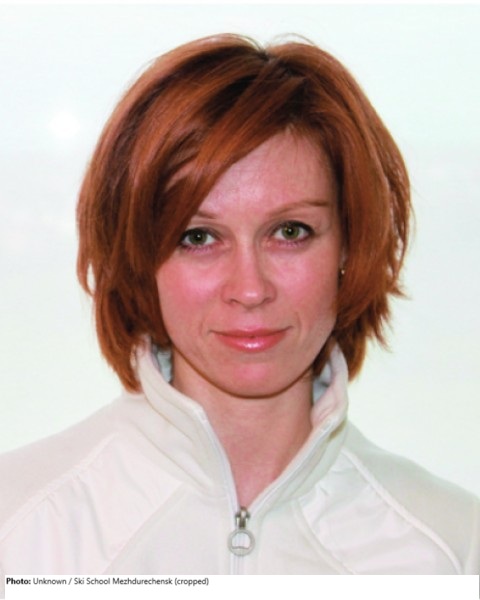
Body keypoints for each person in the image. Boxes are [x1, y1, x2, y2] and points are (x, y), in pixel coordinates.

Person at [0, 33, 478, 583]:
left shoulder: (451, 551)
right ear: (138, 257)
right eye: (199, 237)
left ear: (349, 247)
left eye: (290, 232)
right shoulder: (20, 527)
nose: (250, 289)